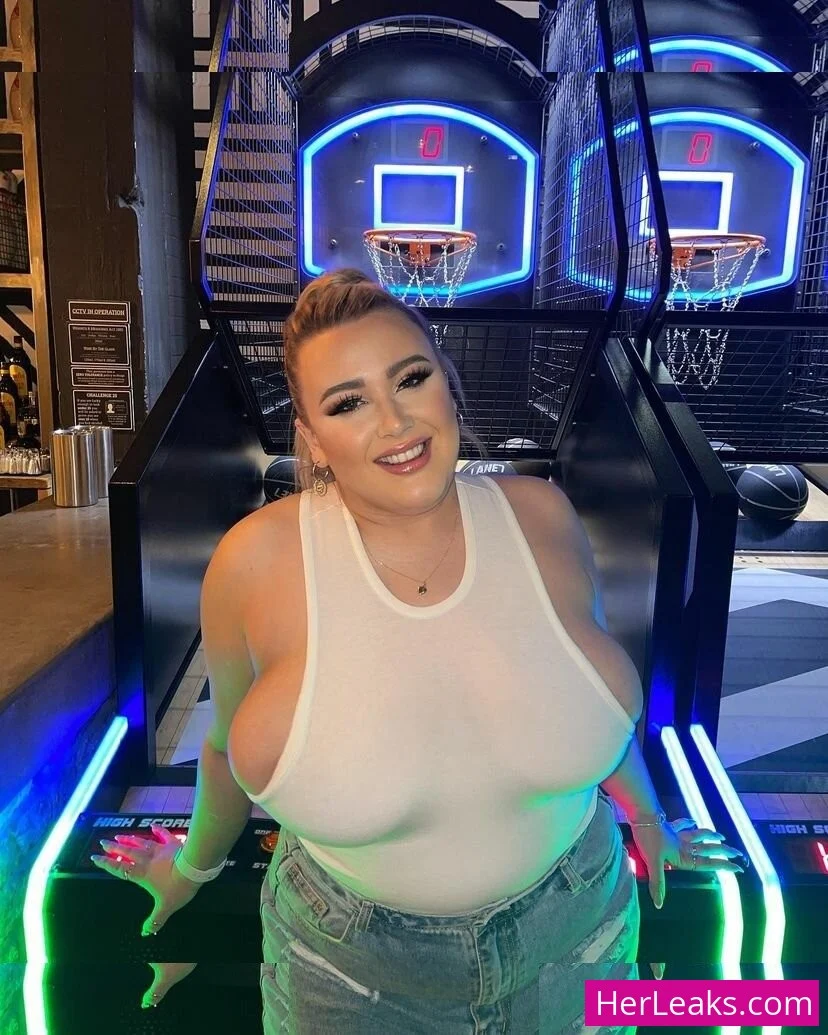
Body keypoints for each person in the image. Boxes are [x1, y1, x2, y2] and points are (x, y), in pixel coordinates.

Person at [92, 270, 744, 1032]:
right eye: (348, 402)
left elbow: (586, 703)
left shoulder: (543, 516)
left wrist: (649, 816)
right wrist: (192, 867)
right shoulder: (253, 563)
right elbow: (222, 752)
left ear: (447, 382)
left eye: (410, 378)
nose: (396, 421)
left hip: (580, 938)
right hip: (349, 975)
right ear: (312, 438)